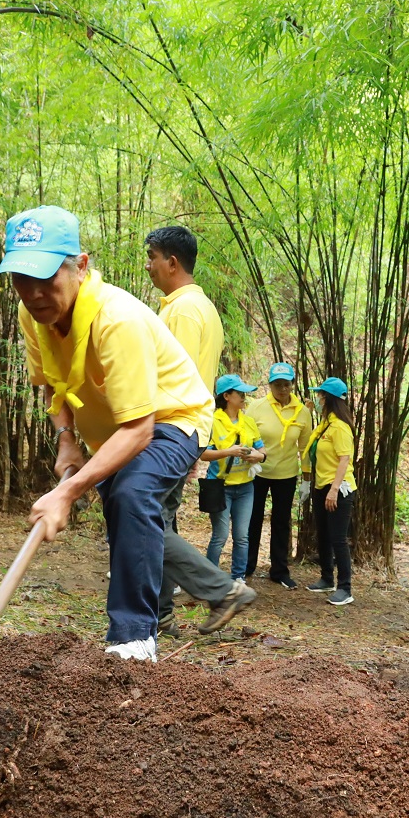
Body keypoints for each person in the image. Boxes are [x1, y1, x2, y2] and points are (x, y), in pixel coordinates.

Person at [3, 206, 212, 662]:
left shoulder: (118, 319)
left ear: (80, 266)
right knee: (121, 504)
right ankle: (146, 624)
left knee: (133, 492)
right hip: (116, 432)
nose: (34, 293)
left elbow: (139, 430)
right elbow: (53, 385)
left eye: (46, 277)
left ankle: (135, 638)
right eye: (21, 278)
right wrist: (67, 440)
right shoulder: (33, 314)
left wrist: (67, 492)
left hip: (174, 419)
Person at [144, 224, 255, 633]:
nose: (148, 265)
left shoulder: (185, 310)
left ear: (172, 262)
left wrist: (166, 436)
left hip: (170, 427)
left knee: (143, 516)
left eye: (153, 257)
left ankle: (220, 590)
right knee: (158, 518)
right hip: (185, 428)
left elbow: (178, 376)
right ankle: (161, 612)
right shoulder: (198, 306)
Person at [245, 363, 314, 588]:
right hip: (257, 472)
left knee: (281, 521)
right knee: (252, 518)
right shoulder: (257, 407)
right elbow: (245, 436)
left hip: (286, 474)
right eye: (277, 385)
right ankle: (247, 565)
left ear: (292, 384)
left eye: (286, 384)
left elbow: (305, 448)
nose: (282, 389)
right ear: (270, 385)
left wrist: (306, 479)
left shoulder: (302, 412)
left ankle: (279, 570)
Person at [202, 374, 266, 587]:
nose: (244, 397)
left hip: (245, 487)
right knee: (220, 536)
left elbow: (262, 450)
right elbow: (203, 454)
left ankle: (238, 577)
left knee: (242, 536)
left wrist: (258, 456)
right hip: (221, 487)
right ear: (227, 396)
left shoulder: (248, 422)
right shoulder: (213, 422)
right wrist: (229, 451)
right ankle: (211, 578)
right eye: (240, 393)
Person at [302, 378, 356, 606]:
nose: (318, 398)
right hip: (321, 485)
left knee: (338, 538)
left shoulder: (340, 427)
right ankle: (326, 578)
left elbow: (344, 459)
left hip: (339, 489)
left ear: (328, 398)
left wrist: (333, 490)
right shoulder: (326, 424)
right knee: (323, 534)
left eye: (320, 395)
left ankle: (345, 588)